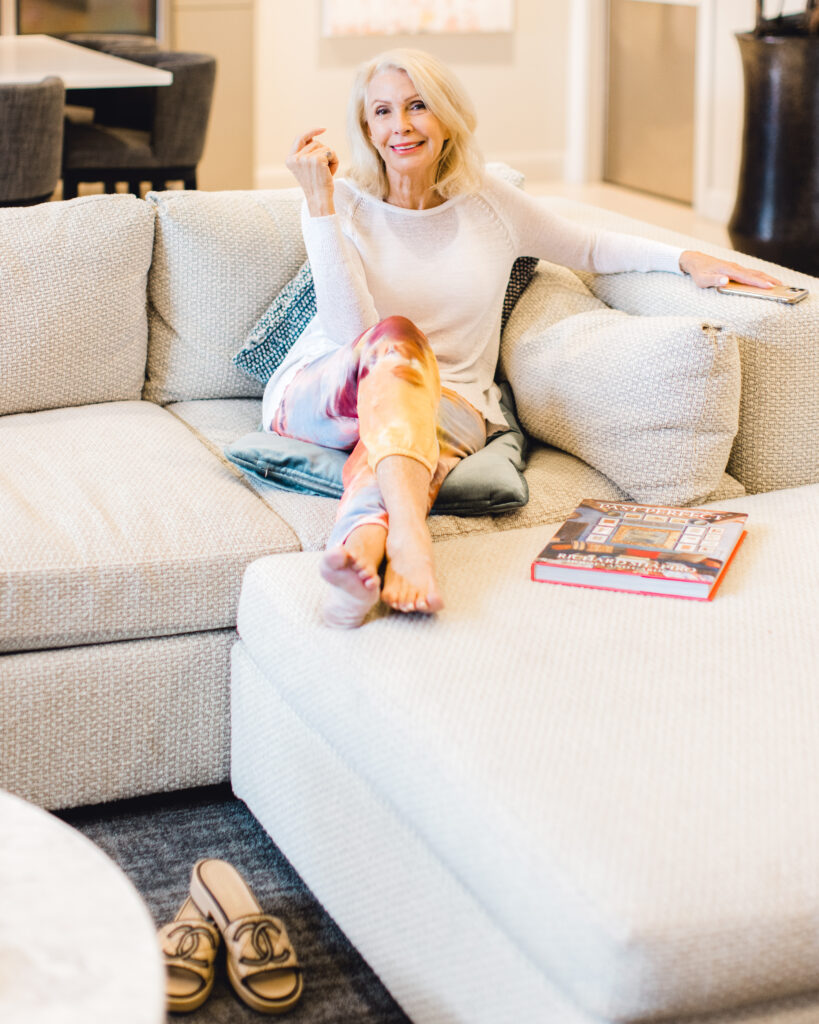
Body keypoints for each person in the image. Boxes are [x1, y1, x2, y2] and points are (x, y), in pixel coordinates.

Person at [266, 48, 780, 629]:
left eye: (418, 106)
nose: (401, 125)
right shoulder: (343, 204)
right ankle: (411, 541)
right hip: (324, 390)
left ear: (447, 117)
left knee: (396, 434)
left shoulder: (488, 201)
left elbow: (589, 247)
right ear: (366, 127)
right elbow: (350, 336)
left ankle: (355, 564)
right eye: (382, 112)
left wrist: (685, 257)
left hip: (451, 402)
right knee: (396, 342)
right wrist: (319, 207)